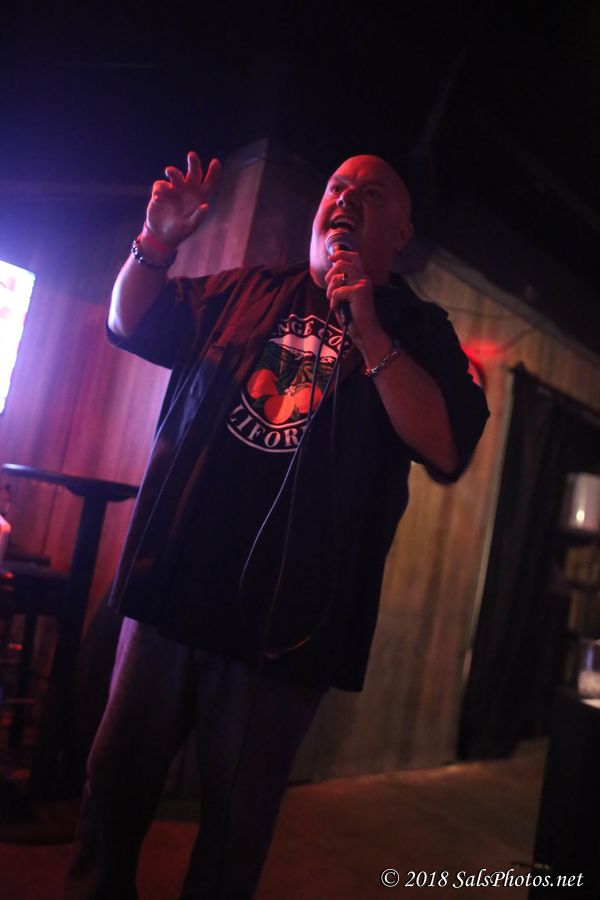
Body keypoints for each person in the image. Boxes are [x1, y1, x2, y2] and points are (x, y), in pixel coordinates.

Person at [64, 151, 489, 899]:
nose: (346, 199)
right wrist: (155, 244)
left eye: (371, 194)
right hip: (171, 592)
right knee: (112, 792)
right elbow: (129, 321)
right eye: (337, 188)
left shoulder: (420, 330)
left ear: (400, 233)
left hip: (285, 635)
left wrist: (369, 330)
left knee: (234, 836)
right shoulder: (248, 290)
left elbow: (447, 444)